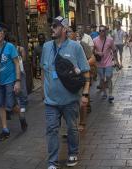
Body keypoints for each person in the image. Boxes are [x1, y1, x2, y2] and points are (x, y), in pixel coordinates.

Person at [41, 16, 90, 168]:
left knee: (72, 128)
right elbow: (44, 70)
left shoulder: (76, 47)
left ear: (64, 29)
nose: (52, 28)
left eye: (55, 26)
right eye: (52, 25)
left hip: (70, 100)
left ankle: (73, 153)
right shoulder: (46, 47)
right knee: (51, 130)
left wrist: (85, 94)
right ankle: (52, 161)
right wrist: (44, 90)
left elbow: (86, 73)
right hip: (51, 101)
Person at [0, 24, 21, 141]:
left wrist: (17, 81)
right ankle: (5, 130)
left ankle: (21, 115)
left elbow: (17, 63)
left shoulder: (10, 47)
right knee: (0, 105)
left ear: (3, 35)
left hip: (10, 80)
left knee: (11, 105)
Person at [93, 25, 120, 103]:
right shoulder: (95, 40)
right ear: (99, 32)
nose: (101, 32)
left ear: (105, 32)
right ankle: (104, 92)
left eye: (103, 31)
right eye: (100, 31)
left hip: (108, 62)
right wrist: (97, 52)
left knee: (108, 77)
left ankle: (110, 94)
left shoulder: (110, 40)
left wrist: (116, 61)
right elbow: (92, 51)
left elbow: (114, 50)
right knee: (102, 78)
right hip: (99, 63)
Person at [75, 32, 96, 130]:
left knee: (82, 99)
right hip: (70, 78)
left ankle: (82, 122)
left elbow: (93, 59)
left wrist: (81, 65)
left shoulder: (82, 45)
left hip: (83, 75)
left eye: (71, 31)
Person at [8, 36, 28, 131]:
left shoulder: (20, 49)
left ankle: (23, 105)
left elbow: (23, 59)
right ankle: (19, 106)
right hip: (13, 73)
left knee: (23, 90)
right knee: (15, 91)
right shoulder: (8, 50)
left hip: (21, 71)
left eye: (13, 43)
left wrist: (16, 58)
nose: (12, 44)